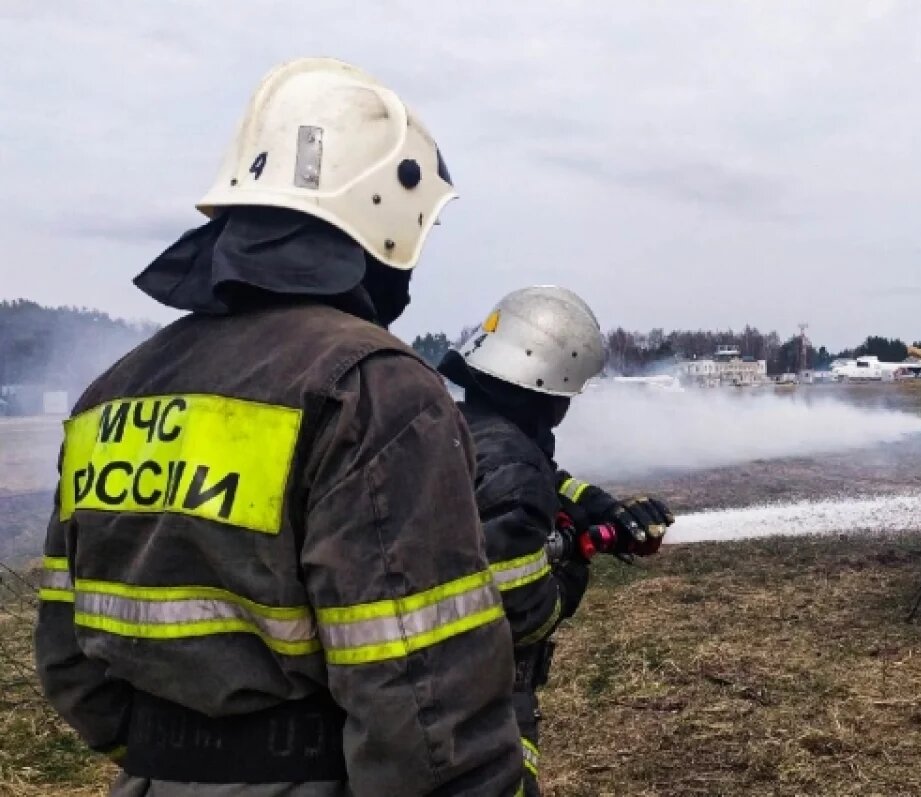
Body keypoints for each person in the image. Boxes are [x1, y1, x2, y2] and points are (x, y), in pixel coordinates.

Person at [34, 58, 524, 796]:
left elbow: (69, 660)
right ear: (388, 212)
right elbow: (426, 708)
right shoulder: (374, 389)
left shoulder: (113, 392)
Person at [438, 286, 674, 796]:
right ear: (546, 388)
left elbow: (553, 480)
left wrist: (605, 509)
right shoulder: (512, 467)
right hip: (485, 692)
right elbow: (524, 614)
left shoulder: (466, 427)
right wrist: (575, 562)